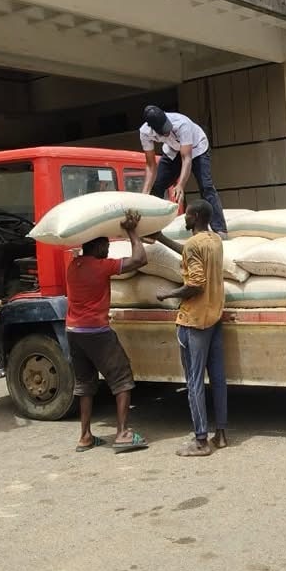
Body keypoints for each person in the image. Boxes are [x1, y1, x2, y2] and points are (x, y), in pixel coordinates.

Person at [66, 210, 149, 453]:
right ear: (97, 247)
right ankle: (122, 434)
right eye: (106, 246)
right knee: (122, 379)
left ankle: (85, 436)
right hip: (97, 331)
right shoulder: (102, 266)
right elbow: (140, 259)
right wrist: (132, 231)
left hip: (73, 331)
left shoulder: (73, 265)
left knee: (85, 384)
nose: (109, 250)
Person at [156, 200, 228, 457]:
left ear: (195, 216)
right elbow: (190, 251)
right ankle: (221, 434)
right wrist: (162, 239)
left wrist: (168, 294)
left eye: (186, 214)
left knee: (195, 382)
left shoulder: (193, 245)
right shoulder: (215, 240)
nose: (184, 218)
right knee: (218, 379)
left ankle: (200, 441)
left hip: (194, 321)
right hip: (214, 317)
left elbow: (196, 284)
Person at [138, 105, 228, 236]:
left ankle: (219, 229)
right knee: (156, 186)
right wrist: (144, 194)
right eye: (164, 131)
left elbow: (186, 158)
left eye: (168, 128)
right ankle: (152, 231)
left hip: (197, 149)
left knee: (206, 186)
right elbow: (151, 165)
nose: (167, 132)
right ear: (153, 129)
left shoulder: (182, 124)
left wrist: (180, 184)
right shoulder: (145, 132)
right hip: (172, 150)